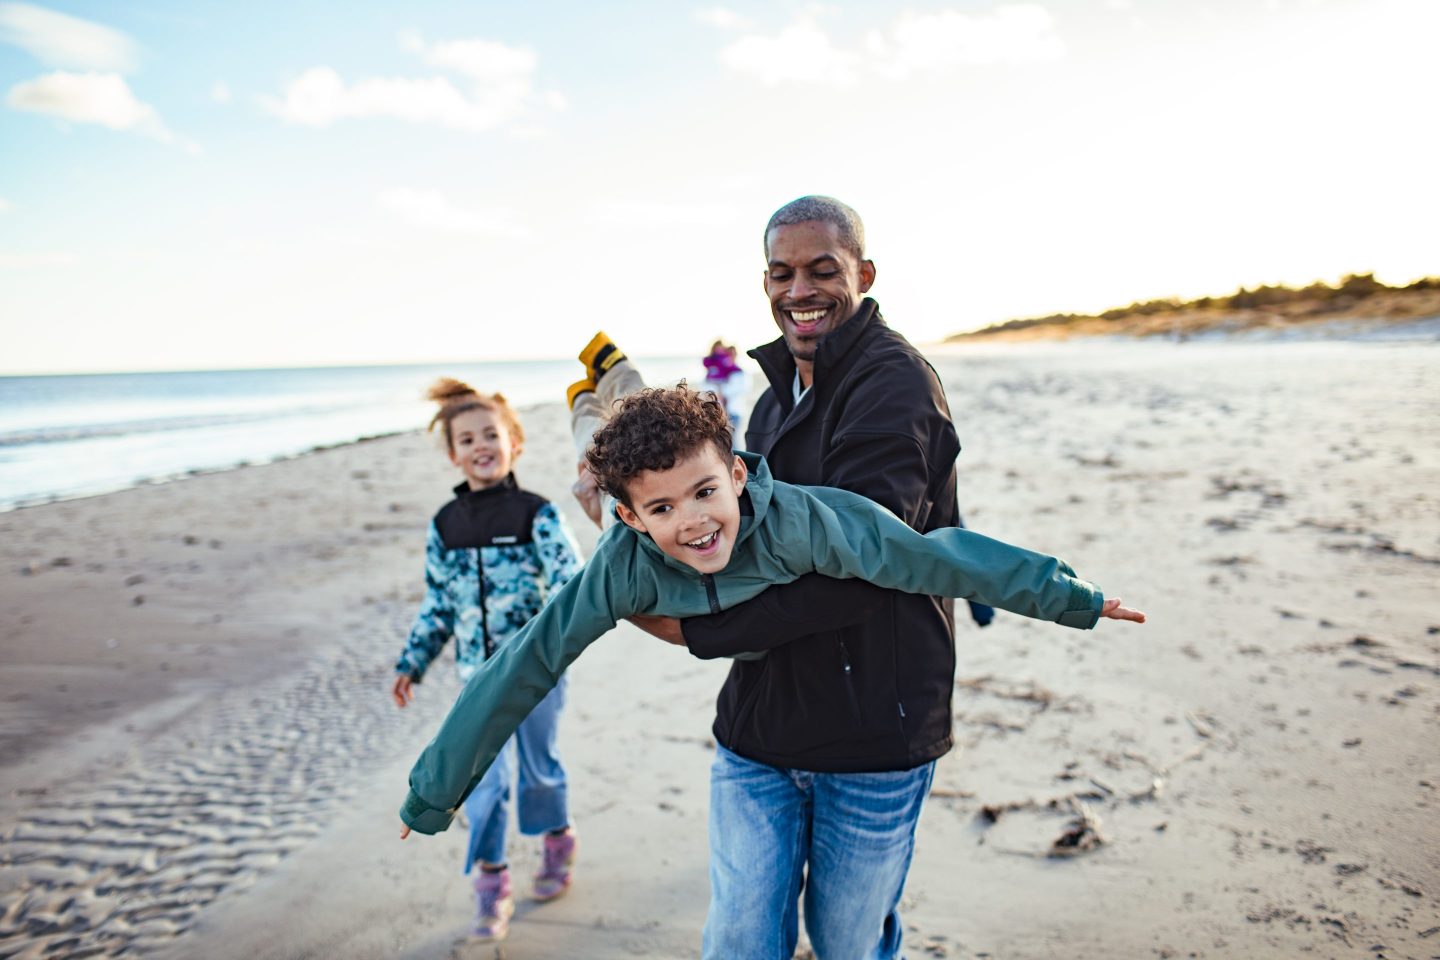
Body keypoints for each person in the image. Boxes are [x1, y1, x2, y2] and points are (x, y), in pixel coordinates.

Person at [398, 382, 1144, 847]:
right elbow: (524, 663)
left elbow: (932, 557)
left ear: (740, 475)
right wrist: (433, 793)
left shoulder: (806, 523)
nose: (693, 522)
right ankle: (589, 396)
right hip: (630, 533)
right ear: (634, 518)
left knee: (636, 414)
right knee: (590, 452)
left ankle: (613, 384)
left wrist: (1066, 596)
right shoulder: (620, 559)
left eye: (705, 494)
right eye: (661, 508)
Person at [629, 195, 999, 959]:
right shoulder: (771, 400)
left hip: (874, 730)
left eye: (822, 269)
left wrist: (701, 632)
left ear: (862, 273)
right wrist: (633, 526)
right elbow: (730, 542)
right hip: (761, 725)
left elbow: (867, 564)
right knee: (738, 939)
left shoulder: (894, 385)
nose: (800, 289)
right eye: (781, 272)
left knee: (848, 944)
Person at [390, 378, 583, 942]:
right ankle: (491, 883)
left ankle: (557, 841)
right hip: (475, 682)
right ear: (453, 453)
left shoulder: (536, 513)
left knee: (539, 770)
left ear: (514, 443)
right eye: (467, 438)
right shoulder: (445, 527)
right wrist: (413, 661)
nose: (481, 446)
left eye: (491, 435)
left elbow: (570, 582)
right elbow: (438, 605)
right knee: (485, 785)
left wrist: (552, 644)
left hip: (535, 676)